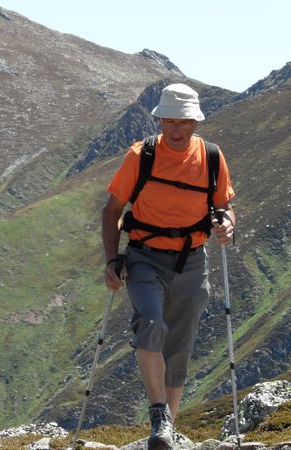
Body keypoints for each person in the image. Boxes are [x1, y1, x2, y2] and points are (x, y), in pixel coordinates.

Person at [101, 83, 236, 450]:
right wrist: (112, 260)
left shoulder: (211, 158)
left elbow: (223, 206)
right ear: (160, 120)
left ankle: (166, 433)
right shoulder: (140, 156)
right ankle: (159, 414)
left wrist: (227, 224)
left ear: (196, 123)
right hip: (144, 258)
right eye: (170, 121)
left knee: (179, 346)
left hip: (192, 262)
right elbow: (112, 211)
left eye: (184, 122)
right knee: (150, 322)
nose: (177, 130)